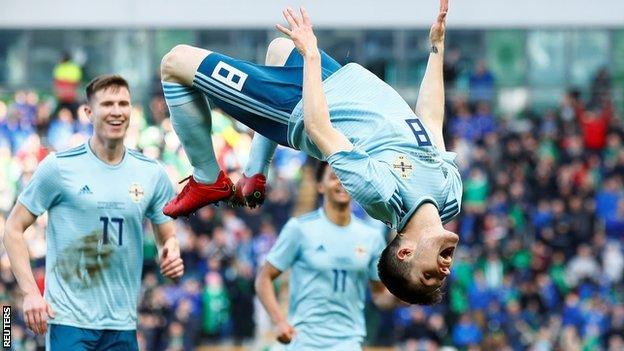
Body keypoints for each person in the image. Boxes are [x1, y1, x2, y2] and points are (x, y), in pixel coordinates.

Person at [160, 0, 461, 304]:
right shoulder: (449, 196)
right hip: (340, 82)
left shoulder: (382, 194)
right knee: (279, 49)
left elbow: (319, 128)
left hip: (295, 106)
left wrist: (311, 54)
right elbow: (431, 121)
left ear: (405, 251)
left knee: (175, 63)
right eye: (438, 278)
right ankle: (254, 175)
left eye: (428, 276)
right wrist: (436, 48)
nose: (444, 271)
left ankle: (207, 178)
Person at [3, 75, 184, 350]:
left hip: (122, 325)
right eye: (107, 103)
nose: (116, 111)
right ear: (89, 112)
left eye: (123, 103)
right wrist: (30, 293)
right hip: (68, 321)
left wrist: (169, 251)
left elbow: (167, 236)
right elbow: (13, 229)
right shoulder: (58, 168)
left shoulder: (151, 173)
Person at [255, 162, 394, 349]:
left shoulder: (372, 237)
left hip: (348, 342)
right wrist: (278, 321)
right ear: (320, 185)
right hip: (304, 341)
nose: (341, 183)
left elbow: (379, 296)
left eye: (346, 177)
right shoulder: (299, 229)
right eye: (333, 177)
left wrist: (407, 296)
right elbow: (263, 278)